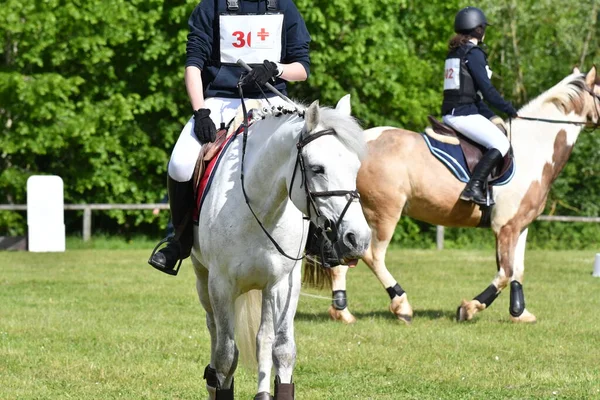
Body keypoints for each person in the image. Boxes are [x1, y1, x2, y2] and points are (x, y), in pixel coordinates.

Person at [148, 0, 311, 275]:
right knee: (179, 163)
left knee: (314, 151)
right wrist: (200, 111)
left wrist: (276, 69)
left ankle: (319, 241)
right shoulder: (210, 6)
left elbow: (302, 68)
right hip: (221, 101)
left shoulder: (284, 6)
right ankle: (179, 241)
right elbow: (194, 65)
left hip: (272, 100)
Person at [441, 6, 518, 206]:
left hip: (452, 113)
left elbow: (471, 94)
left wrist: (491, 116)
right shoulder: (473, 53)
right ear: (478, 29)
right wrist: (510, 109)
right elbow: (488, 91)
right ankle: (474, 187)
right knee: (501, 143)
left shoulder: (455, 53)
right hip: (463, 116)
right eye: (484, 28)